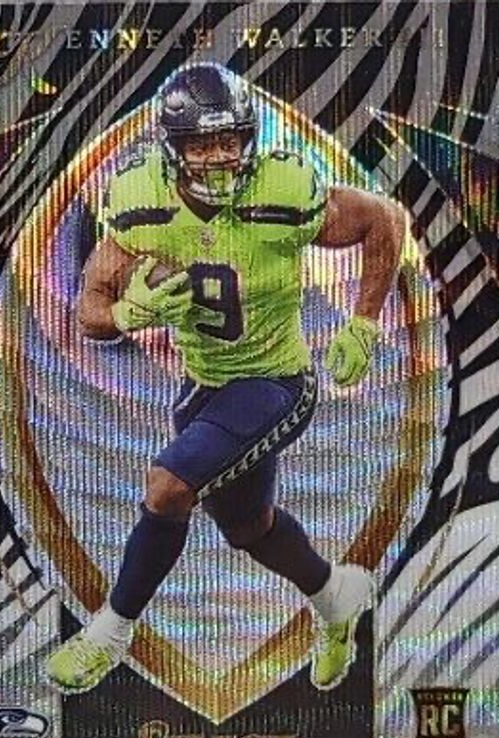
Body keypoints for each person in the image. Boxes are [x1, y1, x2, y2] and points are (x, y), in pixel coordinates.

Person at [46, 62, 406, 695]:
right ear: (172, 148)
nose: (217, 158)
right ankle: (336, 598)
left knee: (168, 487)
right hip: (204, 385)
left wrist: (363, 325)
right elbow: (90, 308)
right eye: (200, 144)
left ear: (249, 139)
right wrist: (128, 315)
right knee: (249, 529)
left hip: (277, 383)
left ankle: (109, 632)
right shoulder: (142, 200)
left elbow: (384, 219)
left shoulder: (282, 188)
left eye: (229, 140)